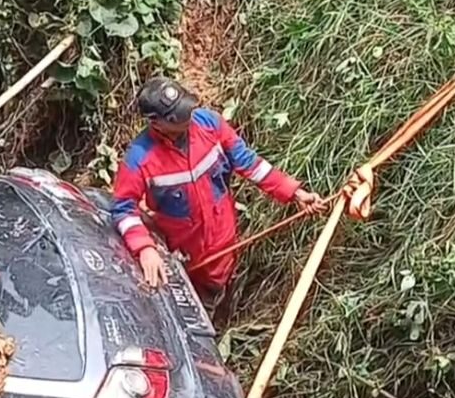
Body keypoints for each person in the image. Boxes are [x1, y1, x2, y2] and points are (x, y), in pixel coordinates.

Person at [111, 76, 326, 306]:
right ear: (156, 122)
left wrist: (295, 192)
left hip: (226, 243)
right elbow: (123, 209)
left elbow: (250, 163)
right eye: (179, 116)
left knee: (225, 291)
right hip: (187, 260)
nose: (188, 118)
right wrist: (145, 248)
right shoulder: (139, 157)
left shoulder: (210, 124)